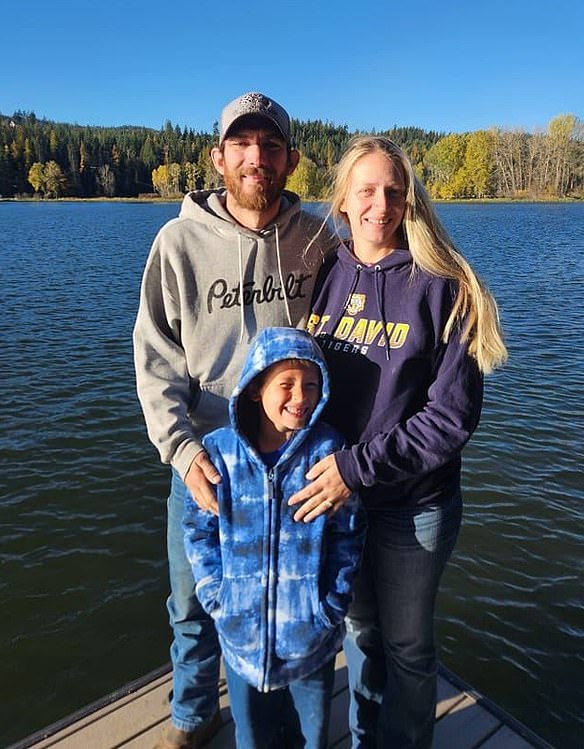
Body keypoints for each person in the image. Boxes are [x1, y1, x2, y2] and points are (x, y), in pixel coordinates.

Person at [289, 135, 508, 748]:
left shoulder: (444, 285)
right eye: (366, 190)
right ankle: (365, 738)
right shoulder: (325, 272)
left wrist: (354, 469)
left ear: (410, 199)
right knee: (361, 633)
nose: (379, 204)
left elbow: (451, 420)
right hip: (342, 499)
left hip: (414, 508)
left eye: (393, 190)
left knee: (408, 646)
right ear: (342, 201)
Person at [133, 92, 337, 749]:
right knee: (192, 603)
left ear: (290, 158)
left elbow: (344, 340)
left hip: (295, 453)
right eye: (242, 145)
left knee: (292, 597)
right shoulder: (177, 242)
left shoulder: (317, 241)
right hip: (210, 453)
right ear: (218, 157)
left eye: (271, 145)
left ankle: (291, 720)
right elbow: (155, 359)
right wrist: (184, 451)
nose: (257, 157)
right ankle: (194, 713)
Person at [183, 326, 365, 748]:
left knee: (310, 736)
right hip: (242, 641)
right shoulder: (219, 454)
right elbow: (198, 531)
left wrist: (330, 606)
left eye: (311, 385)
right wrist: (216, 597)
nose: (300, 397)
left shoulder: (328, 453)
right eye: (285, 385)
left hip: (310, 641)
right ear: (253, 389)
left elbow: (348, 534)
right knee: (253, 737)